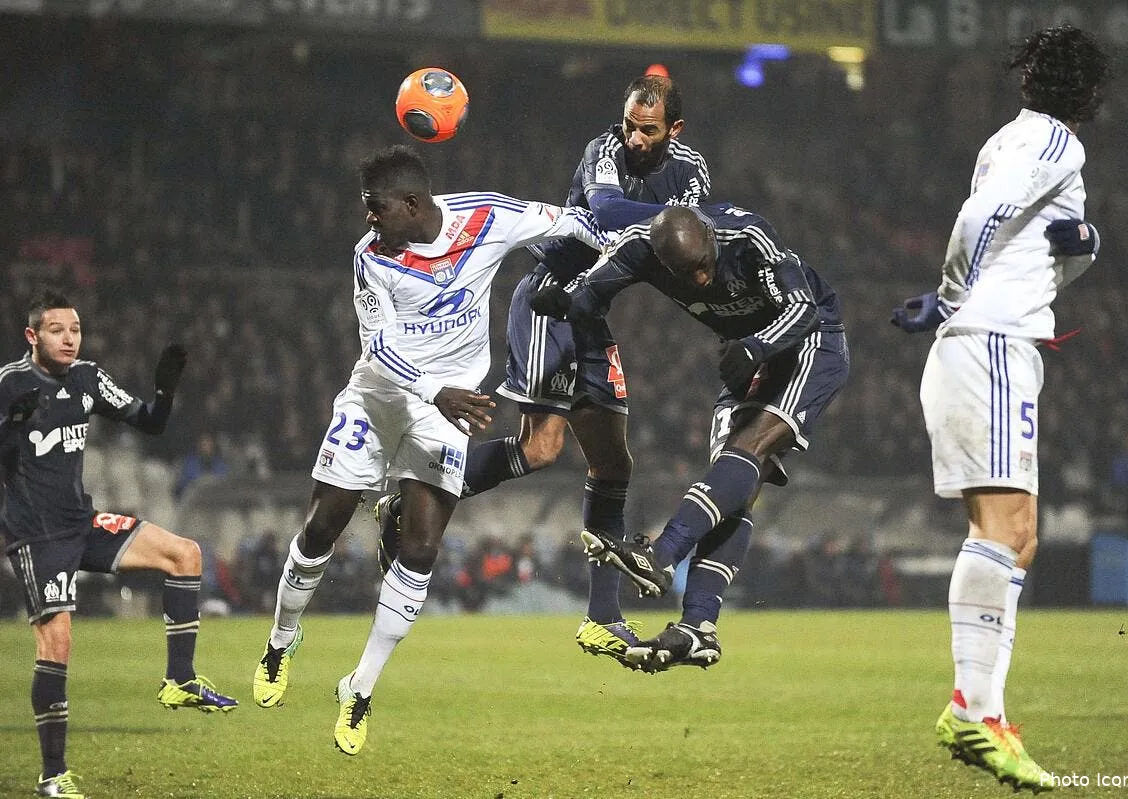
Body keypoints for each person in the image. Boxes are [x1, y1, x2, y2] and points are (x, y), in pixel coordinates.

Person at [248, 144, 607, 756]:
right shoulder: (372, 259)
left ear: (412, 204)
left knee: (419, 550)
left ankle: (359, 687)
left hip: (450, 409)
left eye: (376, 209)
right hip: (380, 400)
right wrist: (435, 391)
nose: (368, 220)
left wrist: (617, 257)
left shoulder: (487, 217)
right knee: (321, 529)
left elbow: (574, 223)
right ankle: (281, 641)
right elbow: (380, 351)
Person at [375, 74, 710, 668]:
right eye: (630, 123)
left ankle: (602, 620)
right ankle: (410, 498)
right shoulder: (603, 150)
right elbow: (608, 211)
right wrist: (674, 217)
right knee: (541, 449)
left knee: (613, 462)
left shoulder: (691, 168)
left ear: (673, 131)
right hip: (550, 299)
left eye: (647, 130)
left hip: (589, 310)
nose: (634, 137)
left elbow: (698, 226)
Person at [888, 24, 1110, 792]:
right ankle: (974, 712)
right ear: (1090, 97)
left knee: (1016, 538)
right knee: (1006, 532)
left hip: (992, 346)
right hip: (988, 345)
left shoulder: (1006, 139)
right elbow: (981, 221)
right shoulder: (1057, 146)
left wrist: (1084, 246)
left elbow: (1038, 251)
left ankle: (981, 707)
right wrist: (949, 294)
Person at [531, 203, 848, 671]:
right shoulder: (639, 247)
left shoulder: (749, 235)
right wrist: (565, 303)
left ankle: (661, 554)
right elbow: (591, 291)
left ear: (711, 240)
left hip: (809, 343)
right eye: (684, 274)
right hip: (748, 358)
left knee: (749, 450)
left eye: (704, 267)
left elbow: (802, 307)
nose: (700, 281)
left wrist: (755, 346)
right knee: (733, 485)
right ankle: (698, 627)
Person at [1, 290, 237, 799]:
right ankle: (52, 776)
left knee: (185, 554)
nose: (69, 339)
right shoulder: (10, 385)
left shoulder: (86, 376)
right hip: (37, 536)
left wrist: (165, 391)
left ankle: (179, 680)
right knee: (58, 643)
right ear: (32, 336)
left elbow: (149, 422)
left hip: (81, 522)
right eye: (57, 330)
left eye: (76, 330)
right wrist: (8, 429)